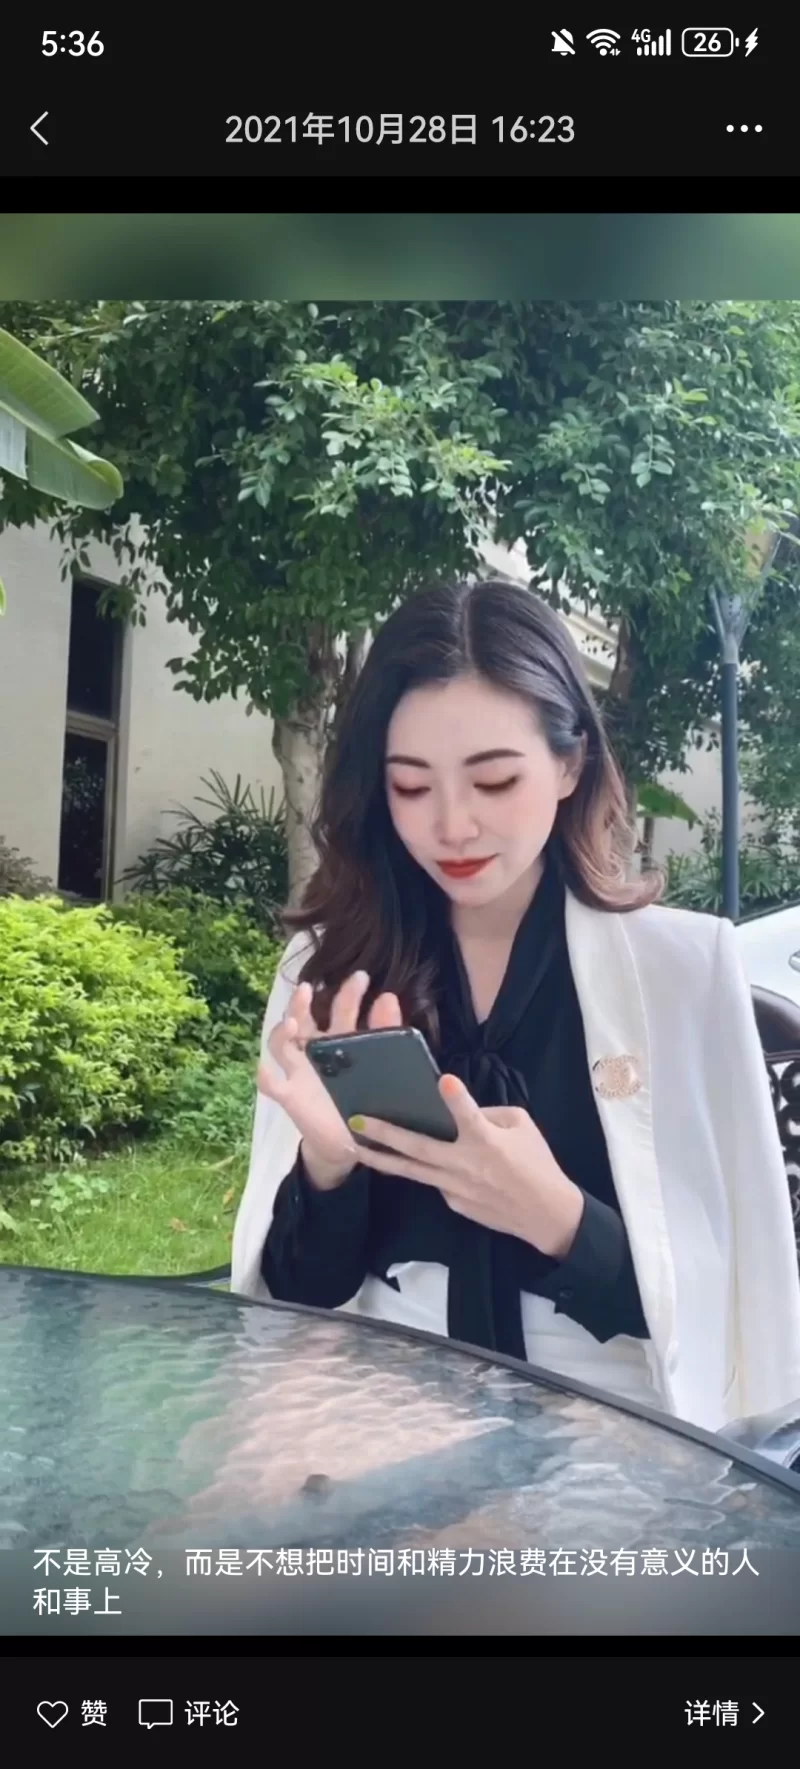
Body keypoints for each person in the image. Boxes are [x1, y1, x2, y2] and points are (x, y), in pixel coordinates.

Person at [232, 578, 800, 1433]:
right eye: (411, 786)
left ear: (571, 763)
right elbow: (296, 1295)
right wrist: (328, 1164)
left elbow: (739, 1322)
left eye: (494, 780)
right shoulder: (331, 970)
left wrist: (560, 1218)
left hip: (614, 1420)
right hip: (376, 1396)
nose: (453, 826)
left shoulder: (683, 972)